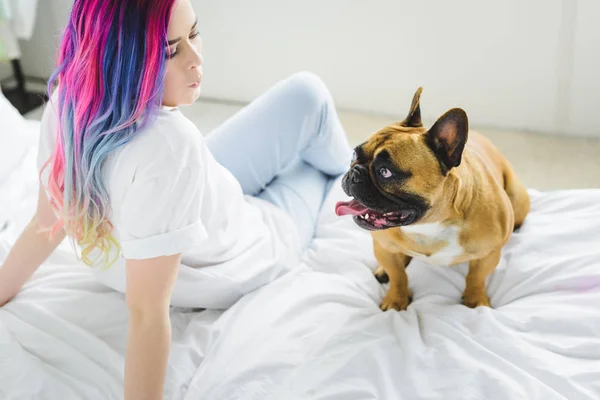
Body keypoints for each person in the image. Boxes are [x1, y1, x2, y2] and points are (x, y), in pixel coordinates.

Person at [0, 0, 352, 398]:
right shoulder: (168, 148)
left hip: (201, 193)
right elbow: (148, 316)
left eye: (194, 34)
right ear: (122, 61)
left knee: (305, 94)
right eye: (171, 50)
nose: (197, 59)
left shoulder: (71, 101)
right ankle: (351, 172)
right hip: (253, 241)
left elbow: (47, 221)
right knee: (313, 145)